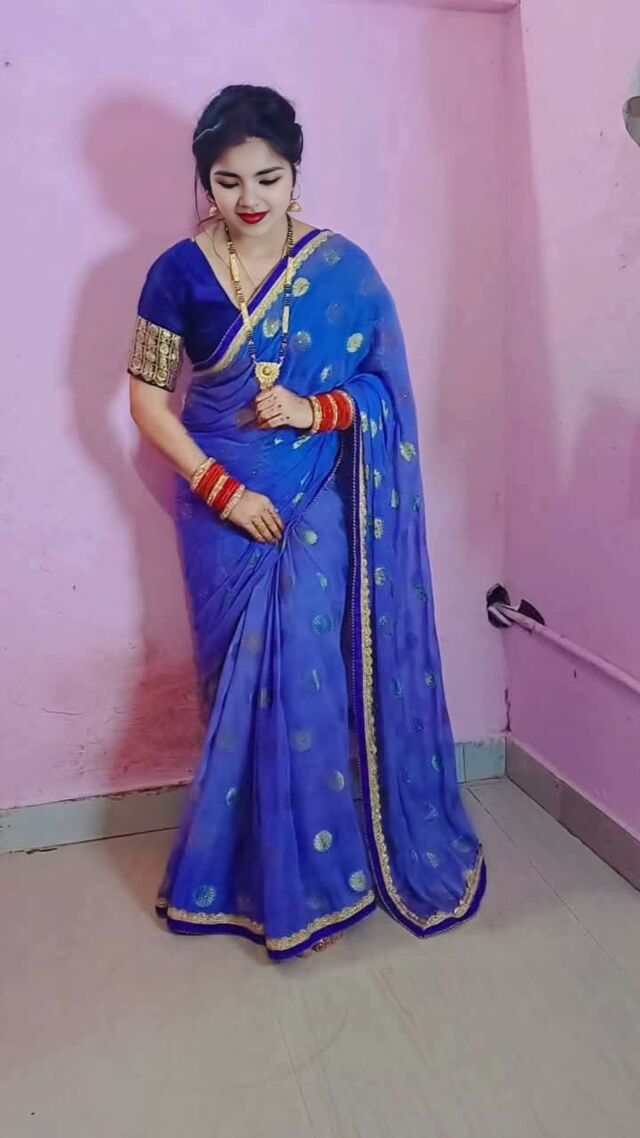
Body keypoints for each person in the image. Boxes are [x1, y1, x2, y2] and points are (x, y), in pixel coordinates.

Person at [128, 84, 486, 961]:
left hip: (312, 495)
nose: (249, 199)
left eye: (269, 178)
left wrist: (312, 410)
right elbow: (144, 402)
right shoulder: (175, 274)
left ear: (295, 175)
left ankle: (323, 875)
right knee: (238, 685)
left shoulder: (342, 271)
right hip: (219, 504)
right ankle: (247, 873)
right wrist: (222, 490)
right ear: (204, 182)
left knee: (306, 671)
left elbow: (385, 391)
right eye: (228, 181)